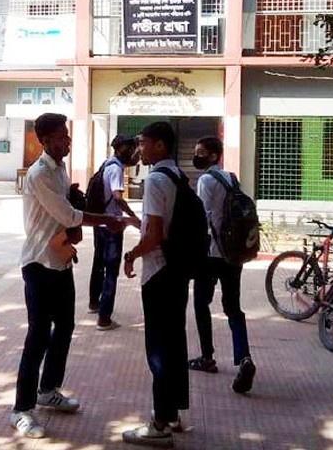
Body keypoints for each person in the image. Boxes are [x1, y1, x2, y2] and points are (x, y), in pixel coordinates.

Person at [11, 113, 137, 439]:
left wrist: (74, 197)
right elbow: (68, 216)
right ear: (44, 141)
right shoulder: (39, 174)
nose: (66, 141)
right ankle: (21, 409)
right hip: (39, 263)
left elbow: (67, 207)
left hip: (61, 260)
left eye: (66, 135)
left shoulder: (60, 168)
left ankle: (48, 390)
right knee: (38, 335)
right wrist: (107, 220)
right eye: (60, 136)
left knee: (65, 328)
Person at [121, 121, 190, 447]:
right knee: (174, 343)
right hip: (177, 271)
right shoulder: (178, 176)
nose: (139, 149)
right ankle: (172, 413)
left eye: (143, 143)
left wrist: (131, 255)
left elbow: (153, 236)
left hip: (159, 272)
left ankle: (160, 424)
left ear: (159, 145)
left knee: (159, 349)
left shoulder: (155, 181)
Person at [188, 136, 257, 394]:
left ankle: (207, 357)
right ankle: (244, 357)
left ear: (214, 155)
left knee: (201, 303)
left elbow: (202, 217)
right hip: (232, 254)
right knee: (233, 307)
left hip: (210, 254)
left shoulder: (206, 180)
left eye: (201, 152)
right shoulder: (232, 178)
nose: (197, 156)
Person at [88, 135, 141, 331]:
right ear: (122, 150)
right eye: (132, 149)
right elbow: (118, 197)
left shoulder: (106, 164)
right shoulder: (116, 169)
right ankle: (104, 318)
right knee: (111, 270)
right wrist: (133, 217)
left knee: (98, 263)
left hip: (99, 222)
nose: (135, 154)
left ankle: (94, 303)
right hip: (112, 226)